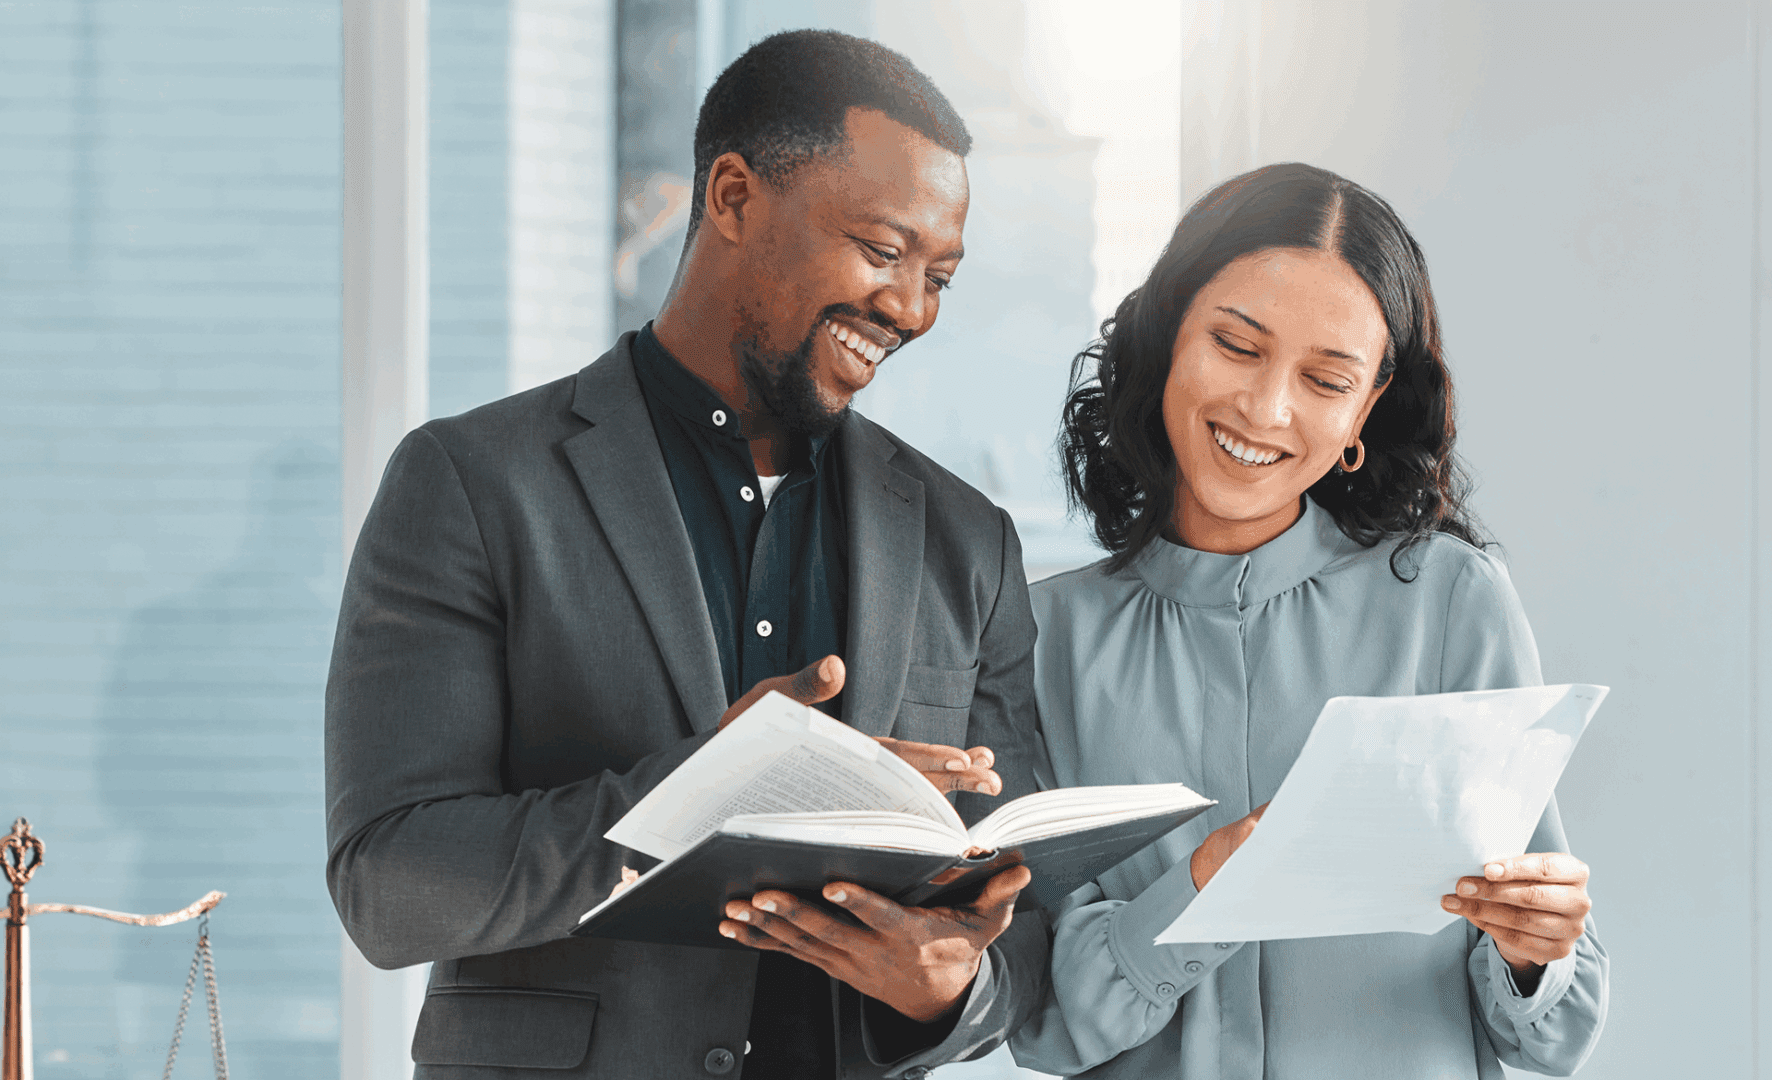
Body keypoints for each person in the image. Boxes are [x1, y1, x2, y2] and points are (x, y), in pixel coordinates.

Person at [324, 30, 1048, 1080]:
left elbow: (1012, 940)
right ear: (733, 197)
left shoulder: (965, 539)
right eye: (883, 250)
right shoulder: (473, 485)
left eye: (937, 275)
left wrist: (945, 990)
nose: (910, 308)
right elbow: (390, 887)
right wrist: (706, 797)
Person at [1008, 163, 1608, 1079]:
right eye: (1238, 347)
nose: (1266, 408)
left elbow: (1560, 1031)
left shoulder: (1449, 599)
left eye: (1327, 379)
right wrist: (1205, 886)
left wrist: (1535, 949)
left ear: (1366, 407)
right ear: (1167, 334)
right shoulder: (1045, 638)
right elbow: (1047, 1029)